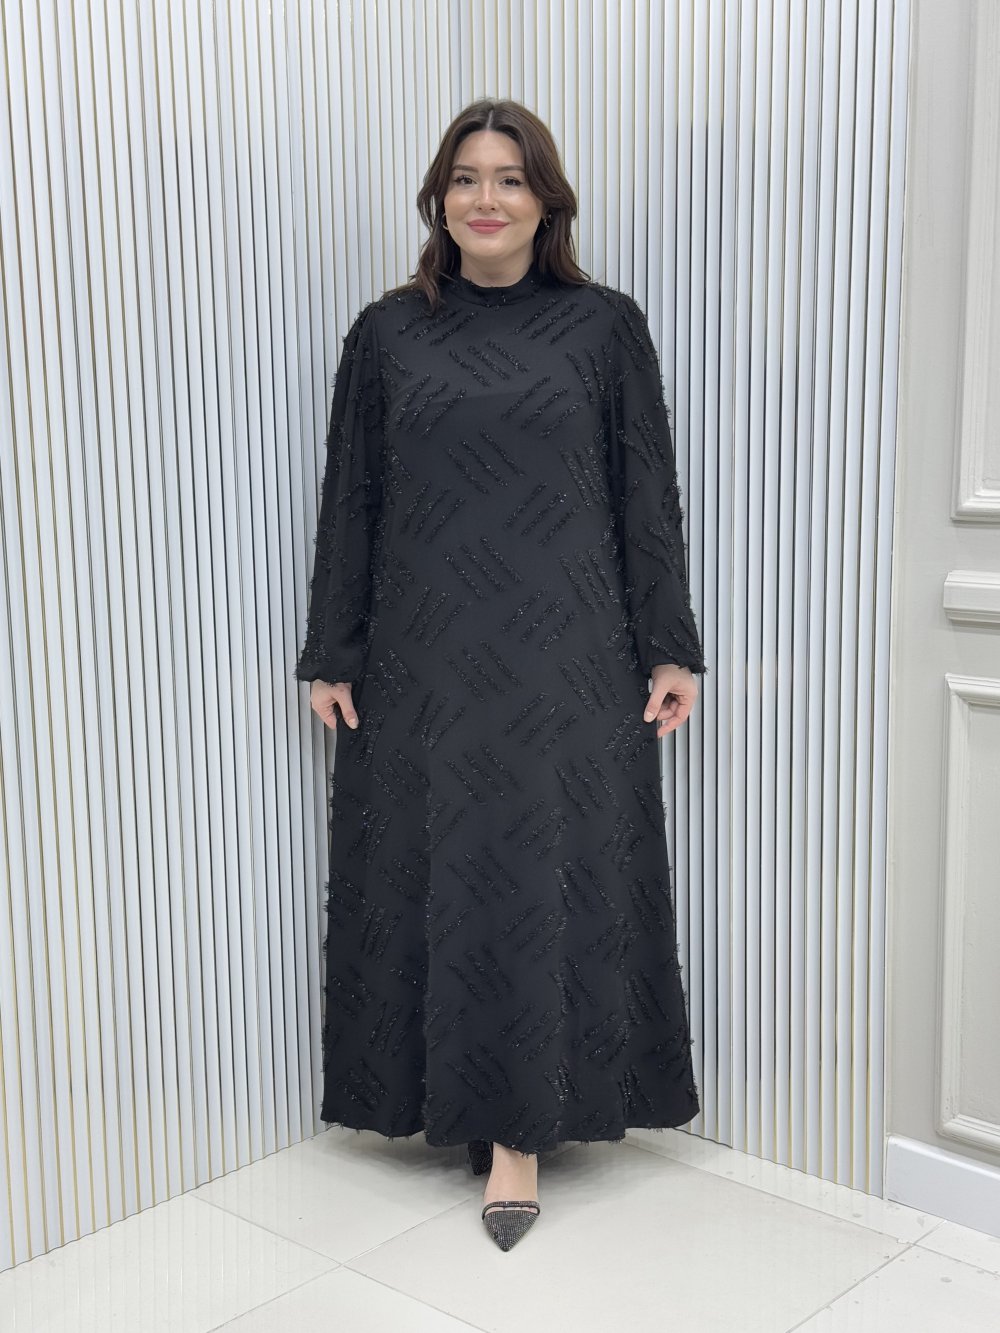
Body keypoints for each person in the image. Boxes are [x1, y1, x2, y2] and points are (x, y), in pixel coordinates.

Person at [294, 97, 705, 1252]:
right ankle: (455, 1103)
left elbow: (644, 491)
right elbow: (352, 497)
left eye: (510, 179)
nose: (486, 198)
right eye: (467, 179)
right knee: (439, 874)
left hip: (571, 656)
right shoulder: (387, 333)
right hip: (422, 657)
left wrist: (669, 643)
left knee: (540, 879)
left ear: (545, 201)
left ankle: (520, 1135)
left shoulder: (603, 327)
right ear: (439, 200)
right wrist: (332, 650)